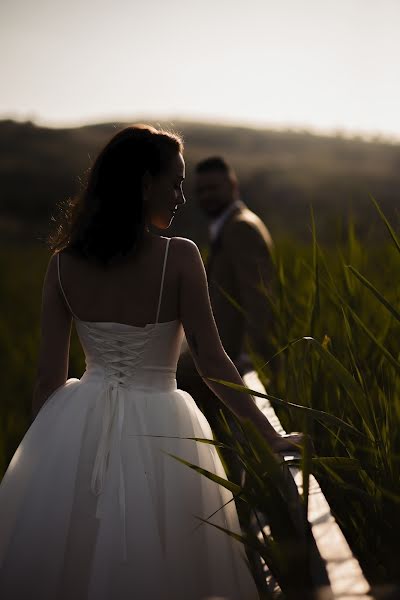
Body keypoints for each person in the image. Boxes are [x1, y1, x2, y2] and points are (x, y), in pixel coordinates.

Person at [0, 124, 303, 600]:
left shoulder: (62, 264)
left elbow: (47, 379)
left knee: (71, 563)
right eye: (175, 181)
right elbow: (213, 362)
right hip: (162, 428)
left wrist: (45, 464)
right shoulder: (179, 257)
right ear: (144, 184)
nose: (182, 195)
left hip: (77, 425)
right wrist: (271, 436)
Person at [176, 156, 279, 485]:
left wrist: (254, 355)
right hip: (221, 355)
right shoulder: (228, 226)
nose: (206, 196)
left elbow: (258, 299)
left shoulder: (241, 228)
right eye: (201, 190)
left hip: (229, 357)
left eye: (214, 188)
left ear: (233, 186)